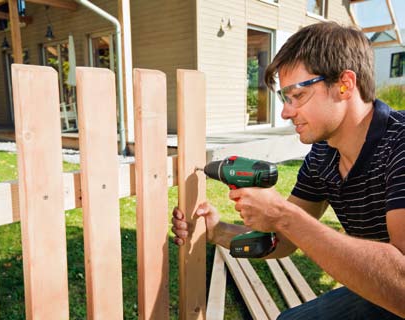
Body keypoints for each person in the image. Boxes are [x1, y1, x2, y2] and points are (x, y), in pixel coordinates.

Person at [172, 21, 405, 319]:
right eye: (285, 98)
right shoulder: (323, 155)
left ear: (345, 84)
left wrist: (284, 215)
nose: (285, 111)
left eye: (297, 95)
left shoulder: (399, 144)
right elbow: (283, 240)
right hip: (381, 287)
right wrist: (217, 231)